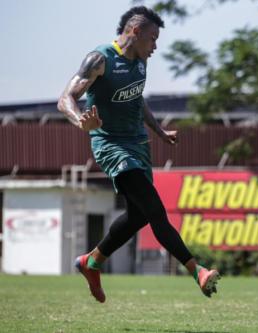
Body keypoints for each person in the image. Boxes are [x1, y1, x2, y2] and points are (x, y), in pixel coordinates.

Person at [57, 6, 220, 303]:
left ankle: (90, 262)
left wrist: (159, 131)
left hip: (138, 146)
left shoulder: (141, 63)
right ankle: (197, 270)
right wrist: (80, 119)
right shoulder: (100, 58)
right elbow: (65, 98)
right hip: (112, 146)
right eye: (152, 39)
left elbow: (136, 98)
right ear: (134, 31)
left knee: (137, 216)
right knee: (155, 210)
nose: (155, 46)